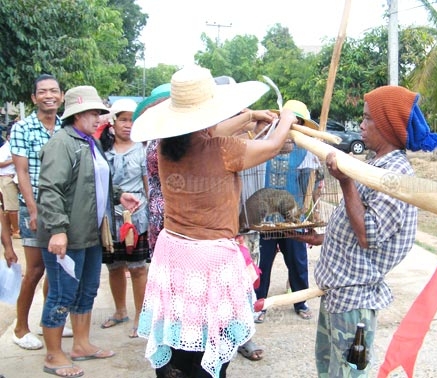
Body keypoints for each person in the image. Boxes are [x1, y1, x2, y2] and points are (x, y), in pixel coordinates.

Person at [132, 65, 296, 378]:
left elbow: (208, 135)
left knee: (180, 334)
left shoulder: (167, 147)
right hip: (210, 260)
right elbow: (273, 146)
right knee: (212, 343)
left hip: (173, 253)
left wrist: (250, 117)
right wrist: (286, 117)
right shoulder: (223, 150)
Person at [291, 85, 437, 377]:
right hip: (338, 296)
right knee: (329, 370)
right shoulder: (376, 164)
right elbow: (356, 225)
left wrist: (345, 183)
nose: (361, 124)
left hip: (354, 303)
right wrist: (323, 238)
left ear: (386, 126)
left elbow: (368, 236)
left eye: (368, 118)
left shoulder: (394, 175)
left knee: (346, 374)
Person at [37, 85, 141, 378]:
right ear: (77, 114)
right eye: (94, 113)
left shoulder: (89, 142)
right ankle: (54, 353)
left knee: (87, 290)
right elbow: (50, 189)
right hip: (67, 236)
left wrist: (119, 195)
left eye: (99, 113)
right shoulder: (63, 143)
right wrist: (57, 229)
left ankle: (81, 344)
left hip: (91, 233)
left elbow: (97, 180)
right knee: (62, 294)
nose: (99, 119)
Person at [9, 74, 72, 350]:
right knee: (35, 269)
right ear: (34, 98)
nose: (49, 95)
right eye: (43, 92)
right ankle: (20, 328)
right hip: (33, 207)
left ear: (61, 96)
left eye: (54, 91)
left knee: (56, 270)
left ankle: (51, 322)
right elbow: (21, 172)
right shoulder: (22, 128)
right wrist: (33, 210)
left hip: (61, 208)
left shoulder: (65, 126)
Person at [250, 100, 318, 324]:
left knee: (297, 262)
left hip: (292, 219)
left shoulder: (305, 152)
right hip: (266, 219)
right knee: (263, 264)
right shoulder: (265, 146)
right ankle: (259, 304)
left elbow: (312, 185)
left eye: (296, 126)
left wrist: (311, 214)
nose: (290, 132)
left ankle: (300, 301)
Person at [98, 99, 150, 338]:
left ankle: (141, 316)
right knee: (114, 266)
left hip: (136, 216)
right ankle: (120, 311)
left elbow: (147, 185)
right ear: (113, 122)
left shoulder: (142, 149)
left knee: (138, 268)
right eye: (123, 119)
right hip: (109, 217)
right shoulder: (101, 150)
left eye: (132, 119)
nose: (128, 125)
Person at [0, 124, 20, 238]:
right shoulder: (4, 149)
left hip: (16, 177)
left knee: (10, 206)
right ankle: (16, 231)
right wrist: (13, 160)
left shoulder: (17, 147)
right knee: (12, 207)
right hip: (7, 178)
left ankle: (10, 229)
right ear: (8, 137)